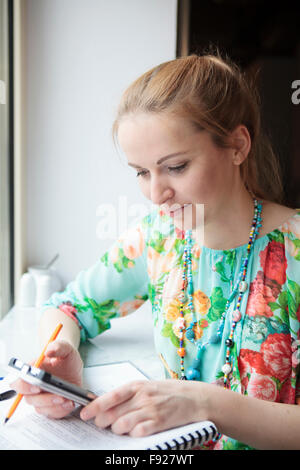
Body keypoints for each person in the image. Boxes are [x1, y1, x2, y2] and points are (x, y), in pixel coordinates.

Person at [12, 52, 300, 450]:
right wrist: (62, 354)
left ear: (237, 145)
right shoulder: (157, 238)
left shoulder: (295, 250)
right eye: (142, 173)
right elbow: (68, 308)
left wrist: (206, 403)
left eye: (176, 167)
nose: (156, 194)